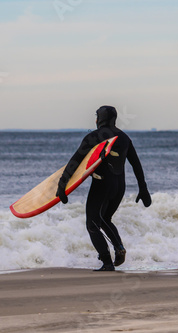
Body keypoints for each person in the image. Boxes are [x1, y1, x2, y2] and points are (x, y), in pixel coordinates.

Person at [56, 106, 152, 271]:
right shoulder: (124, 137)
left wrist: (61, 186)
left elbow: (75, 162)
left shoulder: (94, 136)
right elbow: (136, 164)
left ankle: (107, 262)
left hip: (101, 184)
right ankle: (119, 248)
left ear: (98, 119)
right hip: (119, 185)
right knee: (105, 219)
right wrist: (143, 189)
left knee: (92, 224)